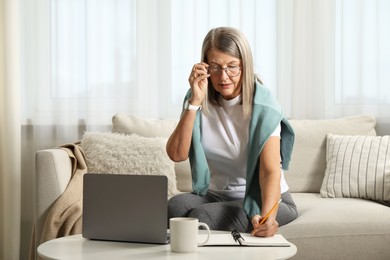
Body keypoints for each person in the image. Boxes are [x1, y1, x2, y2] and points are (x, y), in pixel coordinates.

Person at [166, 27, 298, 237]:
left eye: (232, 67)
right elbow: (177, 154)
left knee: (203, 217)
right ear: (205, 67)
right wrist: (194, 103)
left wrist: (268, 218)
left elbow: (269, 171)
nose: (223, 77)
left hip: (263, 197)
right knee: (175, 207)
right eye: (215, 67)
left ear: (245, 66)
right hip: (216, 195)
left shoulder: (264, 108)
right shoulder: (197, 96)